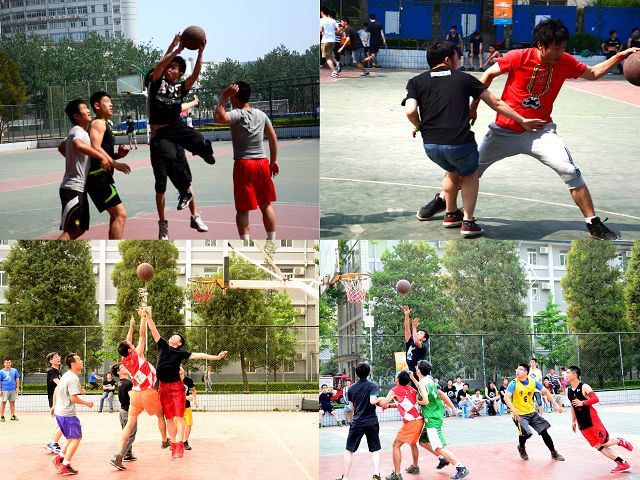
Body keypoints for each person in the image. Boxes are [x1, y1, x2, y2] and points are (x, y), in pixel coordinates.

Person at [417, 19, 640, 239]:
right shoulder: (518, 56)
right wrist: (473, 107)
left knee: (570, 171)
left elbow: (593, 73)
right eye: (556, 48)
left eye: (563, 47)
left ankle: (593, 222)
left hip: (540, 132)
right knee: (467, 171)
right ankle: (443, 199)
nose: (560, 53)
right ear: (540, 45)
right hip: (503, 131)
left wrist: (619, 57)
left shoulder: (564, 61)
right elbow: (488, 74)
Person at [405, 41, 544, 237]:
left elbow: (410, 111)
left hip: (431, 146)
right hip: (459, 144)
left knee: (451, 171)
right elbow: (495, 102)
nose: (458, 60)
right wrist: (522, 120)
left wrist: (418, 126)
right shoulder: (464, 78)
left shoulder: (415, 81)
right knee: (470, 174)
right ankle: (468, 222)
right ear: (448, 59)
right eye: (457, 57)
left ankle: (451, 214)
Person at [148, 33, 214, 240]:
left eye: (174, 67)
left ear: (180, 72)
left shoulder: (180, 88)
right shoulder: (156, 82)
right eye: (169, 66)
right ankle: (163, 225)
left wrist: (201, 53)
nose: (170, 69)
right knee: (161, 185)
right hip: (159, 137)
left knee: (187, 173)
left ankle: (195, 216)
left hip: (175, 131)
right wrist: (175, 48)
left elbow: (195, 75)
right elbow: (161, 64)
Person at [144, 307, 227, 460]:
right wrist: (148, 315)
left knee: (179, 416)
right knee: (169, 418)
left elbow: (200, 355)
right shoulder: (162, 345)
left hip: (176, 387)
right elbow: (153, 329)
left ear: (179, 342)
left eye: (176, 336)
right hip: (163, 387)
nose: (172, 336)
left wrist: (216, 357)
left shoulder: (181, 353)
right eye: (173, 335)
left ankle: (180, 444)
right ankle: (173, 445)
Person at [215, 81, 279, 240]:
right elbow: (272, 137)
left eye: (231, 97)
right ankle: (271, 240)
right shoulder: (261, 114)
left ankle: (245, 241)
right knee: (266, 205)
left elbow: (219, 118)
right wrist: (274, 161)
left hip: (244, 164)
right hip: (262, 163)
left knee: (243, 209)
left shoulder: (237, 114)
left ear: (234, 98)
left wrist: (223, 97)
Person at [111, 311, 168, 471]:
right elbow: (142, 335)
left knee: (129, 425)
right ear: (130, 350)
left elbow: (127, 342)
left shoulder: (124, 360)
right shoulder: (137, 355)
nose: (132, 345)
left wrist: (131, 326)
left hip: (135, 395)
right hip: (148, 392)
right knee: (160, 415)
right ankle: (164, 440)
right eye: (131, 346)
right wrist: (143, 317)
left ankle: (119, 454)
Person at [57, 99, 112, 240]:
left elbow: (62, 147)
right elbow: (79, 145)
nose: (88, 110)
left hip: (79, 188)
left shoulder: (80, 132)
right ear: (76, 116)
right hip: (72, 189)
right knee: (71, 230)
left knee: (80, 228)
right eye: (84, 108)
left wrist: (75, 159)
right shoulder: (78, 132)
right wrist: (101, 156)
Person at [408, 360, 469, 479]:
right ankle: (442, 459)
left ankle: (461, 467)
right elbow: (440, 393)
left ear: (419, 370)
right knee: (423, 442)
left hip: (432, 419)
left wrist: (417, 401)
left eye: (417, 367)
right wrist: (454, 409)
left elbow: (425, 401)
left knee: (439, 447)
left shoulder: (423, 383)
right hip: (436, 414)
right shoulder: (430, 380)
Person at [566, 365, 633, 473]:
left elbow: (596, 399)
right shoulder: (568, 390)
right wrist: (573, 421)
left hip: (592, 421)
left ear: (575, 374)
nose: (565, 375)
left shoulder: (584, 387)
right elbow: (573, 406)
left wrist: (583, 402)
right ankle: (623, 464)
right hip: (582, 424)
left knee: (605, 443)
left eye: (568, 373)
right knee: (598, 446)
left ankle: (619, 440)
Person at [86, 91, 131, 239]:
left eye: (111, 101)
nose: (111, 104)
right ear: (97, 106)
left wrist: (118, 155)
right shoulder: (98, 123)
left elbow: (102, 152)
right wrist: (116, 164)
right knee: (120, 214)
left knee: (115, 216)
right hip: (97, 177)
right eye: (106, 101)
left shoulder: (105, 124)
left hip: (102, 176)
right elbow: (95, 147)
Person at [503, 363, 565, 462]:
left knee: (544, 431)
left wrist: (555, 405)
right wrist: (513, 410)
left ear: (526, 372)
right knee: (526, 433)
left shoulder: (533, 382)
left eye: (520, 369)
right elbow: (506, 397)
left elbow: (546, 392)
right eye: (517, 369)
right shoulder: (513, 383)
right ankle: (521, 447)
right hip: (519, 414)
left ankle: (554, 453)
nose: (517, 371)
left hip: (531, 412)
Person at [337, 362, 384, 480]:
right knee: (375, 450)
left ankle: (345, 477)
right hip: (371, 421)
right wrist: (381, 398)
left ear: (356, 374)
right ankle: (376, 475)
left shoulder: (351, 388)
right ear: (369, 373)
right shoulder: (373, 386)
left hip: (357, 421)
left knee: (349, 450)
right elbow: (373, 401)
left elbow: (351, 407)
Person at [51, 353, 94, 475]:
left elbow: (57, 390)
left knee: (71, 437)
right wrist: (87, 403)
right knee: (76, 438)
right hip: (67, 414)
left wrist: (54, 405)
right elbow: (73, 398)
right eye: (79, 359)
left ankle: (59, 458)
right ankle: (66, 464)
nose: (82, 361)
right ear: (73, 364)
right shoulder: (73, 378)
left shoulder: (66, 375)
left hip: (60, 412)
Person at [377, 370, 425, 480]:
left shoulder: (395, 390)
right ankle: (415, 467)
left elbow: (383, 403)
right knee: (413, 443)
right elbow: (405, 404)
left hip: (411, 422)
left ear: (397, 379)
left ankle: (397, 474)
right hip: (419, 420)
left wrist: (375, 400)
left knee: (396, 445)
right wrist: (389, 406)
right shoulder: (412, 389)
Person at [112, 362, 137, 462]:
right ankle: (118, 457)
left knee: (126, 434)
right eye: (122, 367)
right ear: (118, 372)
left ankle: (128, 454)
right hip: (128, 412)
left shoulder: (121, 383)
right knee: (130, 435)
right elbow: (133, 398)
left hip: (122, 411)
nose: (125, 367)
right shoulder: (128, 383)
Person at [46, 352, 64, 454]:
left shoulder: (58, 371)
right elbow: (60, 384)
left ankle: (51, 443)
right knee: (62, 423)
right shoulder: (51, 371)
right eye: (55, 357)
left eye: (58, 356)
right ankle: (53, 443)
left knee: (60, 423)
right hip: (55, 401)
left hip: (60, 400)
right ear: (51, 361)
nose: (58, 358)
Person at [402, 306, 428, 373]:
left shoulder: (424, 346)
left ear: (424, 339)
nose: (418, 333)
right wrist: (406, 315)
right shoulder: (410, 341)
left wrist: (414, 328)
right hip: (411, 371)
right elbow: (407, 329)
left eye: (421, 333)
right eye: (418, 332)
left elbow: (416, 341)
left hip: (420, 372)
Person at [179, 365, 197, 450]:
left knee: (188, 424)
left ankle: (185, 442)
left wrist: (195, 400)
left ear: (183, 369)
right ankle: (175, 442)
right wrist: (185, 397)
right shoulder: (173, 381)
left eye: (180, 367)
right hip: (176, 407)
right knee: (175, 425)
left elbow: (193, 390)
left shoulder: (188, 380)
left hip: (186, 407)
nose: (179, 369)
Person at [320, 7, 339, 78]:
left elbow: (321, 30)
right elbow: (338, 30)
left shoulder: (321, 20)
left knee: (327, 58)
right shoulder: (333, 20)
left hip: (325, 41)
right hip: (333, 41)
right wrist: (332, 33)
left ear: (322, 12)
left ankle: (334, 72)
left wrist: (321, 32)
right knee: (329, 55)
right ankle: (337, 63)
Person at [0, 357, 21, 422]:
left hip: (13, 389)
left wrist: (17, 388)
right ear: (4, 363)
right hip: (4, 389)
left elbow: (17, 379)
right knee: (3, 402)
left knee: (12, 403)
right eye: (7, 362)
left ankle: (12, 416)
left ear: (11, 363)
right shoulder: (1, 371)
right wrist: (0, 390)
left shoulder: (14, 370)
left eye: (9, 362)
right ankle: (2, 416)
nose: (8, 364)